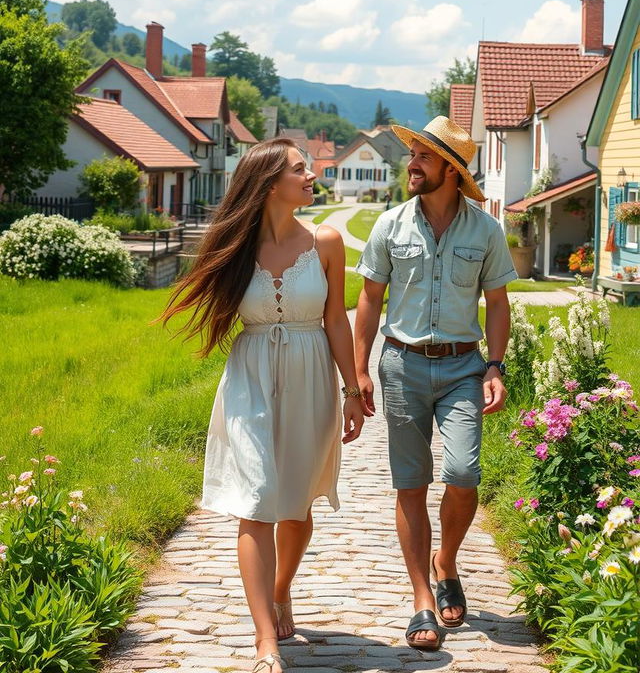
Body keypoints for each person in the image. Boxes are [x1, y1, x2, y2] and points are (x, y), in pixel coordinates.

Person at [161, 138, 365, 673]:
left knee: (295, 507)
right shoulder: (233, 245)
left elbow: (336, 320)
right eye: (301, 169)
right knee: (255, 501)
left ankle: (280, 592)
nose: (312, 175)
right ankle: (263, 641)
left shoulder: (326, 241)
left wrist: (353, 390)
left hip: (311, 376)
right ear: (271, 182)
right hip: (250, 377)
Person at [354, 116, 517, 652]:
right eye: (412, 155)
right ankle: (422, 595)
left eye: (423, 156)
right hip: (401, 365)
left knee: (464, 471)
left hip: (464, 367)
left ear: (450, 168)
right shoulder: (390, 225)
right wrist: (358, 372)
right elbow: (369, 301)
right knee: (411, 484)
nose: (411, 164)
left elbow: (497, 303)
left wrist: (495, 364)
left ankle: (446, 559)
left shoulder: (485, 230)